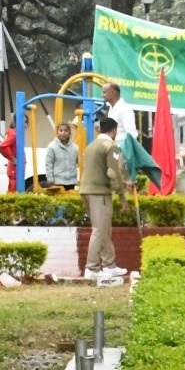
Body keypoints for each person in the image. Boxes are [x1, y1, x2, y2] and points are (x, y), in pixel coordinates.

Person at [78, 116, 130, 281]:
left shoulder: (91, 146)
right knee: (100, 230)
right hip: (100, 193)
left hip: (86, 191)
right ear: (114, 131)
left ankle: (109, 265)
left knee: (104, 229)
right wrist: (122, 197)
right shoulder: (111, 146)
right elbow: (113, 173)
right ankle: (92, 268)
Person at [43, 122, 81, 189]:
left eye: (66, 131)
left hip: (71, 182)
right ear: (57, 132)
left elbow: (81, 163)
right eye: (61, 130)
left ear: (69, 133)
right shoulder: (52, 146)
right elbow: (49, 164)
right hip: (57, 182)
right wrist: (50, 178)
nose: (63, 133)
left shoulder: (75, 148)